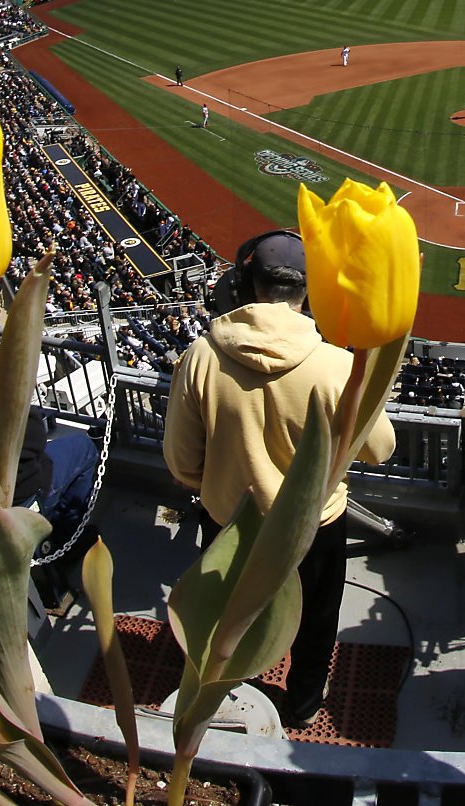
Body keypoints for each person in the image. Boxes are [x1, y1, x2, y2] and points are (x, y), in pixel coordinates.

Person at [162, 231, 396, 727]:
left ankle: (229, 690)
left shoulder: (201, 355)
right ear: (305, 292)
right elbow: (380, 448)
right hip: (313, 527)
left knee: (229, 619)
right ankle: (306, 702)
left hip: (229, 521)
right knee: (315, 623)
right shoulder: (338, 366)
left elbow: (182, 463)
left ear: (246, 285)